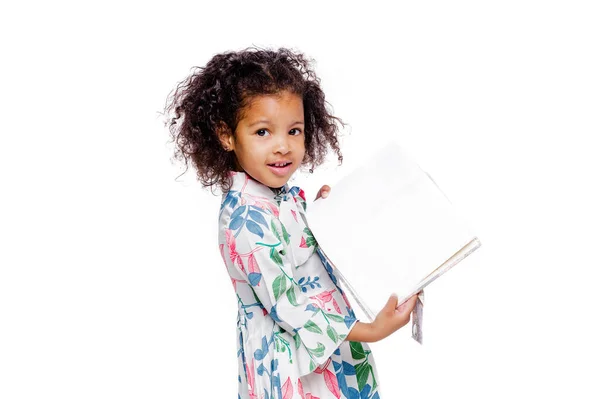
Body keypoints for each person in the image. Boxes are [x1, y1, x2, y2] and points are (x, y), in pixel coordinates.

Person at [164, 47, 419, 399]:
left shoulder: (281, 198)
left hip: (329, 347)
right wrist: (372, 330)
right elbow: (288, 306)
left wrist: (324, 217)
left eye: (294, 131)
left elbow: (299, 253)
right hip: (291, 362)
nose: (283, 146)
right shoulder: (245, 221)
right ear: (226, 135)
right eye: (263, 132)